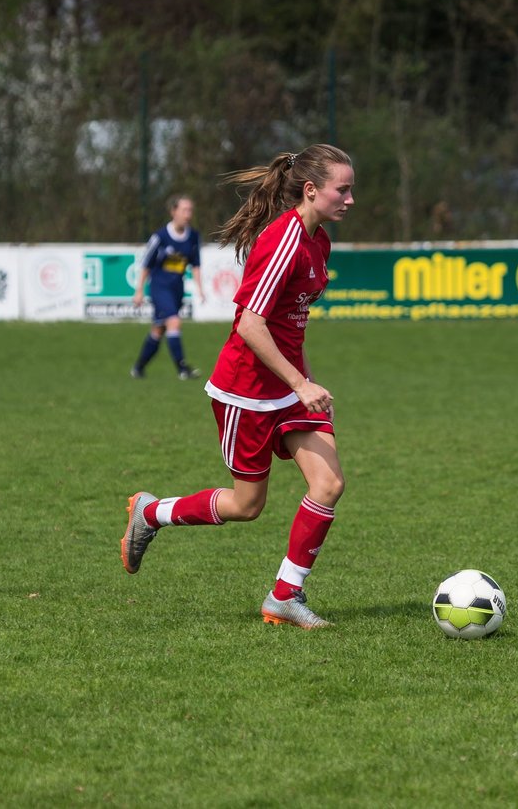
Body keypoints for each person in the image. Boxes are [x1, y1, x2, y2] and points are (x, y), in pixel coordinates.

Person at [121, 144, 355, 629]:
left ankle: (285, 596)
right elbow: (250, 324)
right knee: (247, 505)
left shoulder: (319, 242)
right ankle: (152, 512)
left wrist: (306, 384)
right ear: (311, 190)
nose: (350, 199)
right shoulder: (284, 241)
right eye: (343, 189)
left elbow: (293, 325)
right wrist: (300, 382)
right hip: (246, 392)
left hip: (289, 390)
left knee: (329, 483)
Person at [130, 194, 204, 380]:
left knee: (159, 329)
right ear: (173, 211)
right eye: (184, 210)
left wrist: (200, 288)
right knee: (174, 322)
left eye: (190, 210)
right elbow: (146, 264)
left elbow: (195, 264)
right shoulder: (160, 237)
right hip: (160, 288)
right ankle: (182, 368)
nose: (188, 214)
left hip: (176, 289)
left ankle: (138, 367)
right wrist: (139, 290)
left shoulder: (194, 236)